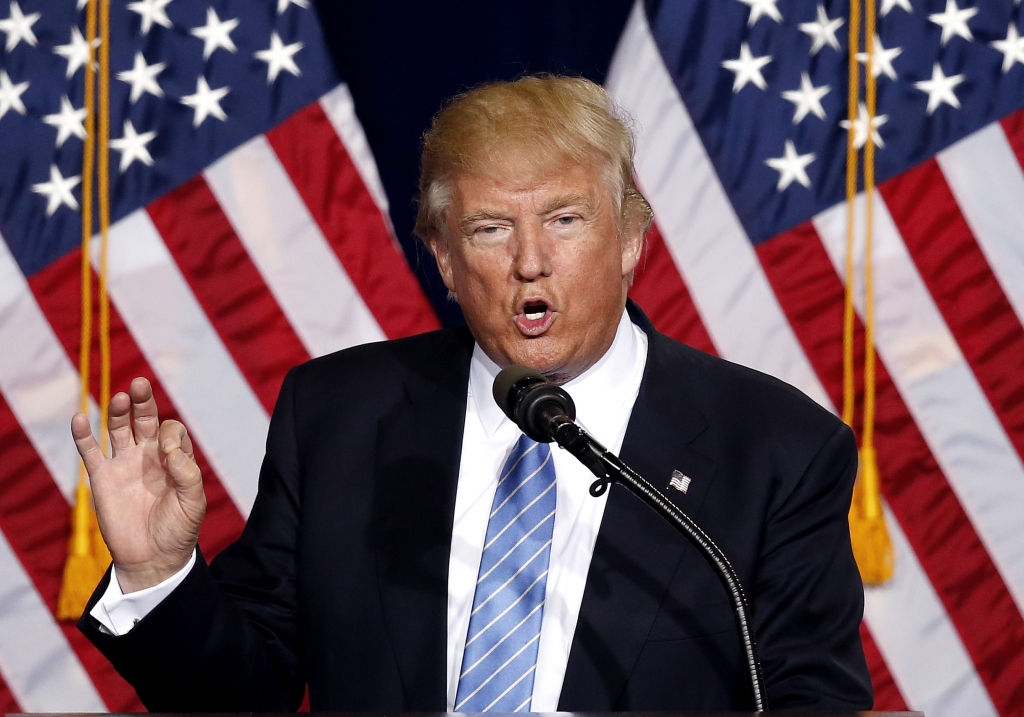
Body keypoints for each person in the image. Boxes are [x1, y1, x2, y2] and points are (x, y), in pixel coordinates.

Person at [73, 75, 872, 712]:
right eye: (491, 228)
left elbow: (812, 699)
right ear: (445, 259)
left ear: (629, 237)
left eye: (565, 220)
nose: (530, 261)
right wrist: (161, 571)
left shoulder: (773, 448)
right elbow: (242, 698)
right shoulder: (339, 416)